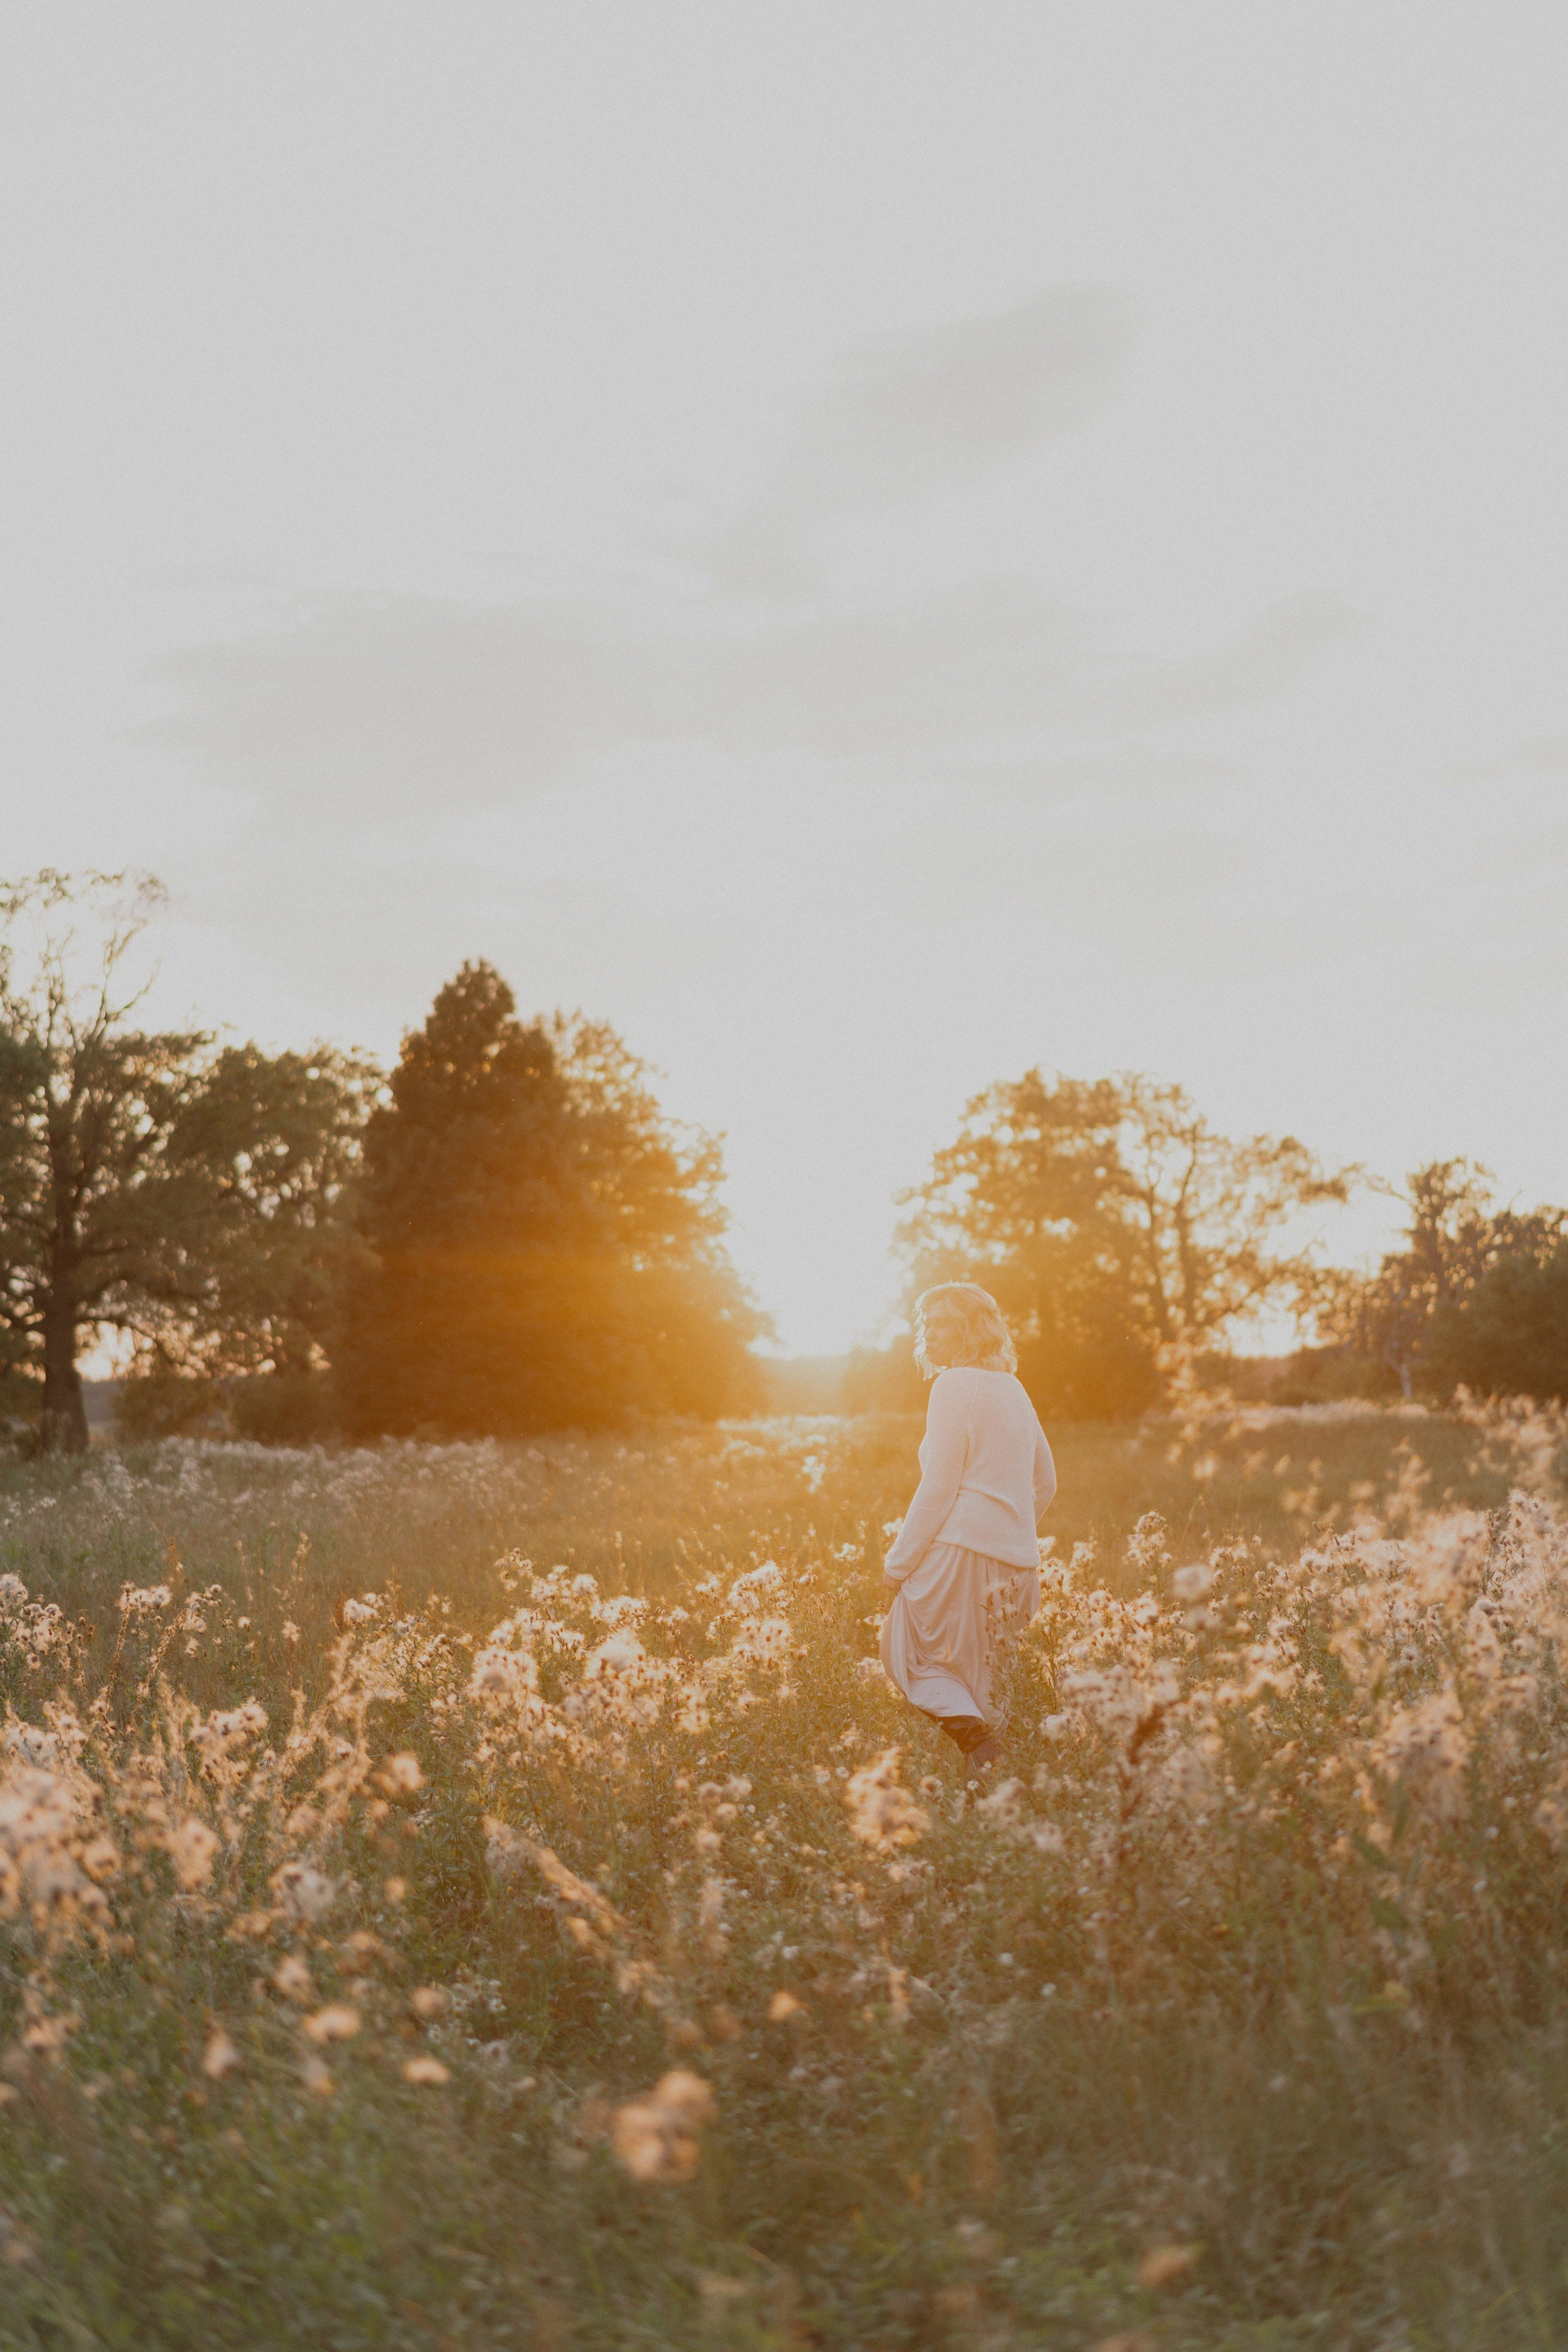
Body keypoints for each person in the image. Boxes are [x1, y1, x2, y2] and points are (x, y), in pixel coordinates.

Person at [880, 1283, 1055, 1778]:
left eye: (943, 1323)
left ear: (970, 1330)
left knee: (905, 1654)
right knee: (989, 1684)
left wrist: (898, 1565)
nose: (929, 1334)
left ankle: (982, 1752)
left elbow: (939, 1485)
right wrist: (1007, 1534)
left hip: (960, 1554)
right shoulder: (1014, 1388)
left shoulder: (953, 1385)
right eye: (927, 1323)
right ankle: (997, 1791)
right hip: (1019, 1562)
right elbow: (1047, 1482)